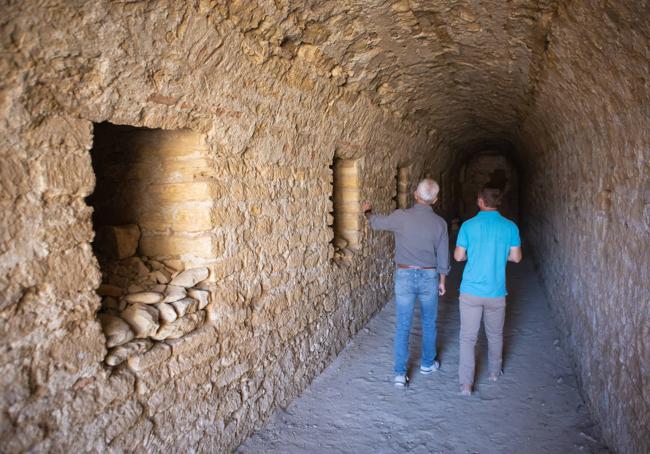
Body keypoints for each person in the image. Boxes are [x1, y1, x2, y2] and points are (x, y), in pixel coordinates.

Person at [362, 179, 450, 387]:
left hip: (405, 275)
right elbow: (443, 256)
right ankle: (428, 363)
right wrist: (443, 280)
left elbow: (376, 223)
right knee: (429, 322)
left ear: (415, 194)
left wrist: (367, 211)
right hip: (429, 276)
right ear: (436, 200)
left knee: (403, 324)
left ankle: (400, 374)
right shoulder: (440, 224)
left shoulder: (401, 217)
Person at [453, 186, 522, 396]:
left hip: (471, 291)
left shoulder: (468, 226)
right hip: (496, 291)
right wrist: (502, 256)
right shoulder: (510, 227)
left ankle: (466, 384)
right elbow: (516, 257)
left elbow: (458, 257)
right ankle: (493, 372)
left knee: (467, 338)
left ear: (481, 201)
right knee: (495, 334)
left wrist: (469, 256)